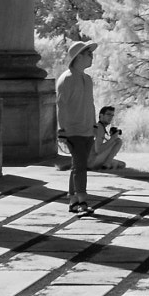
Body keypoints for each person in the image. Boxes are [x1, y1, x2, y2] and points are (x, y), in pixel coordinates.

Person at [55, 40, 98, 212]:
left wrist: (95, 125)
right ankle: (82, 201)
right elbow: (61, 106)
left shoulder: (87, 79)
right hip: (74, 130)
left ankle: (73, 200)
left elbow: (91, 104)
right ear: (79, 56)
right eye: (88, 53)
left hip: (87, 129)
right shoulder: (66, 79)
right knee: (80, 167)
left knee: (77, 165)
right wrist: (62, 130)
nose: (92, 57)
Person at [91, 105, 126, 171]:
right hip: (93, 160)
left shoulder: (100, 128)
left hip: (94, 160)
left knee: (122, 164)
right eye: (108, 114)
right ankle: (106, 165)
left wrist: (110, 139)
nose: (110, 117)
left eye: (112, 115)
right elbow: (98, 150)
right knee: (118, 141)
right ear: (101, 115)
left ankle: (106, 164)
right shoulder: (99, 128)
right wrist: (112, 139)